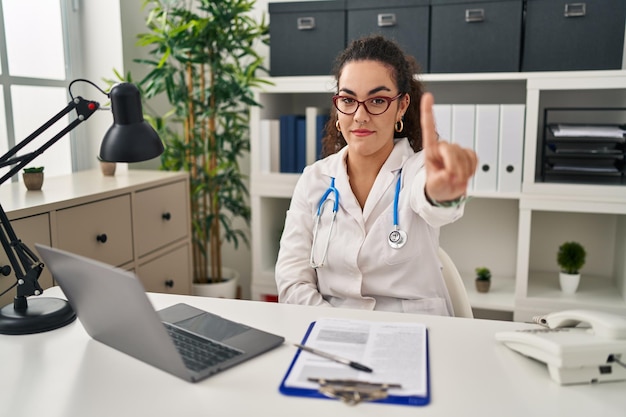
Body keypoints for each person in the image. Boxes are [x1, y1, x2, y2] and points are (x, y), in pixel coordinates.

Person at [274, 35, 477, 316]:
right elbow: (292, 281)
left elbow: (433, 200)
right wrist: (337, 327)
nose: (360, 115)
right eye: (348, 100)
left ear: (402, 106)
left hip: (415, 332)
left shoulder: (418, 170)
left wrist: (442, 193)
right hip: (331, 332)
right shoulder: (315, 179)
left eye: (378, 100)